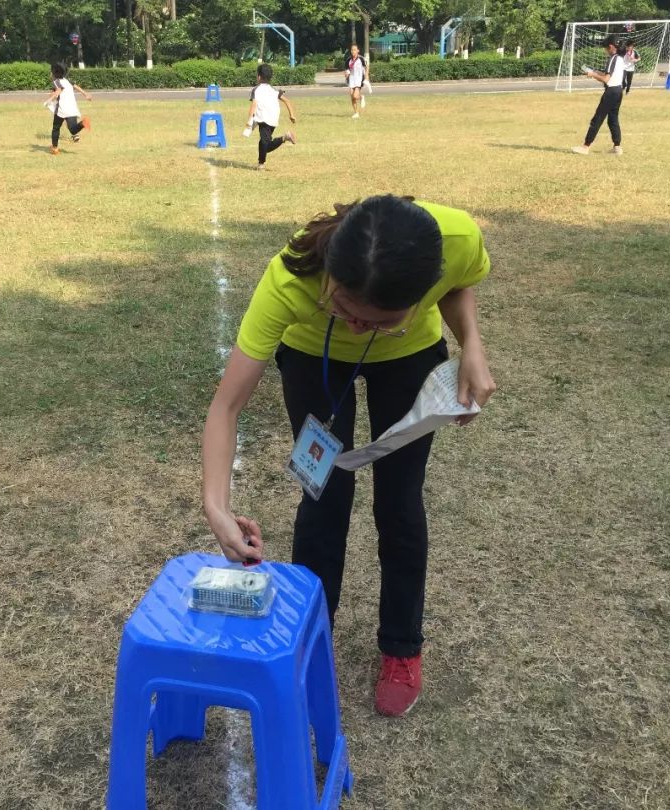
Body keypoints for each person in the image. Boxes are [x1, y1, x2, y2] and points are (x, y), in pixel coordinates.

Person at [201, 195, 496, 717]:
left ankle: (401, 649)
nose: (359, 325)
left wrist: (470, 341)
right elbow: (227, 405)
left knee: (400, 501)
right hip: (314, 354)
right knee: (323, 496)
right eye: (345, 309)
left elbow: (459, 286)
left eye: (378, 320)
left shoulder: (456, 238)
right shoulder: (290, 280)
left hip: (408, 358)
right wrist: (216, 507)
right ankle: (313, 637)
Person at [571, 36, 625, 156]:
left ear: (611, 47)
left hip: (610, 92)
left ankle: (585, 146)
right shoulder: (620, 59)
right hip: (618, 91)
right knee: (613, 120)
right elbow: (608, 75)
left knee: (597, 119)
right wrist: (594, 72)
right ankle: (617, 147)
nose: (605, 51)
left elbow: (606, 79)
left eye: (606, 48)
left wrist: (592, 75)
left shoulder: (613, 59)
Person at [245, 63, 297, 171]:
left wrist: (249, 120)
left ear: (259, 76)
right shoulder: (274, 90)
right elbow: (287, 100)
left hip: (264, 119)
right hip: (273, 118)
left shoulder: (256, 90)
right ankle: (261, 164)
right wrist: (291, 115)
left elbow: (254, 105)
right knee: (263, 141)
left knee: (266, 145)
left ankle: (285, 137)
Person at [45, 64, 92, 156]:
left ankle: (55, 148)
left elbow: (59, 90)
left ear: (54, 73)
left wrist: (49, 100)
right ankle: (83, 123)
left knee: (56, 127)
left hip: (62, 108)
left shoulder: (56, 81)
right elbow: (76, 87)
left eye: (51, 71)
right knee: (73, 130)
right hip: (72, 107)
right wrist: (86, 94)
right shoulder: (67, 81)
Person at [343, 44, 367, 119]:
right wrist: (346, 74)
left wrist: (367, 76)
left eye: (354, 50)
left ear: (358, 50)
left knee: (355, 96)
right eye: (352, 50)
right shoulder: (348, 60)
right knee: (352, 97)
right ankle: (356, 113)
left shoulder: (361, 59)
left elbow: (366, 67)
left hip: (359, 79)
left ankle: (362, 97)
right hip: (352, 79)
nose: (353, 51)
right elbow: (346, 70)